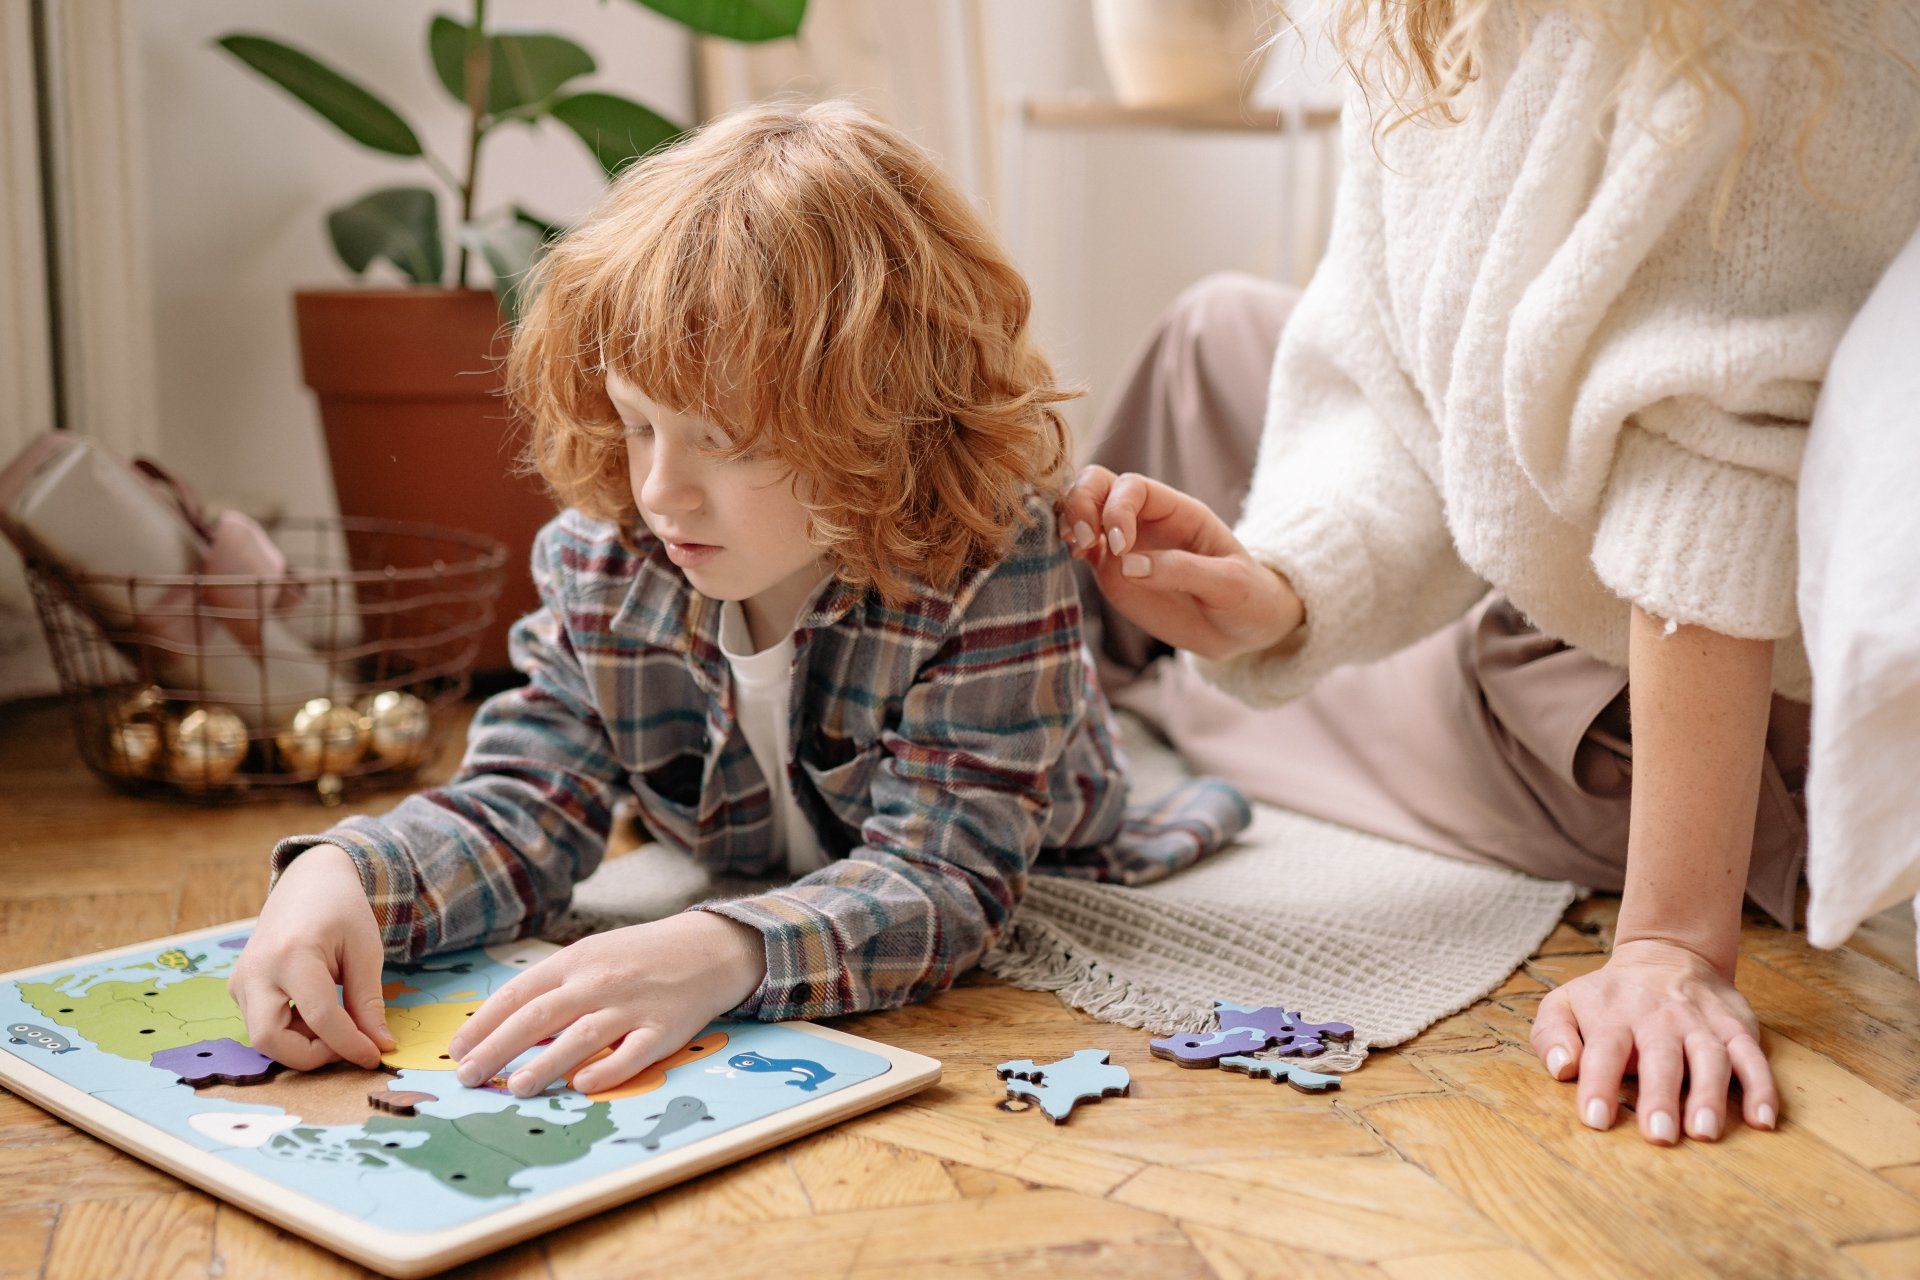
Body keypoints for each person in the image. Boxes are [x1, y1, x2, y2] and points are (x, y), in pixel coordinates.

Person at [230, 101, 1247, 1099]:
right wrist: (347, 873)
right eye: (637, 424)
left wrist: (718, 949)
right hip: (753, 844)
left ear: (886, 422)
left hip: (1044, 819)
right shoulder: (607, 560)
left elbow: (944, 879)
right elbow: (524, 799)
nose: (661, 490)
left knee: (1143, 751)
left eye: (728, 440)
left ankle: (1162, 712)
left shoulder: (993, 556)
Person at [1059, 0, 1919, 1147]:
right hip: (1544, 548)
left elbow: (1718, 477)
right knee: (1208, 335)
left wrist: (1671, 944)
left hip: (1710, 692)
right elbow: (1400, 374)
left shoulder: (1760, 32)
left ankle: (1097, 708)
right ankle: (1037, 694)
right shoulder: (1424, 16)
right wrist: (1282, 583)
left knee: (1207, 707)